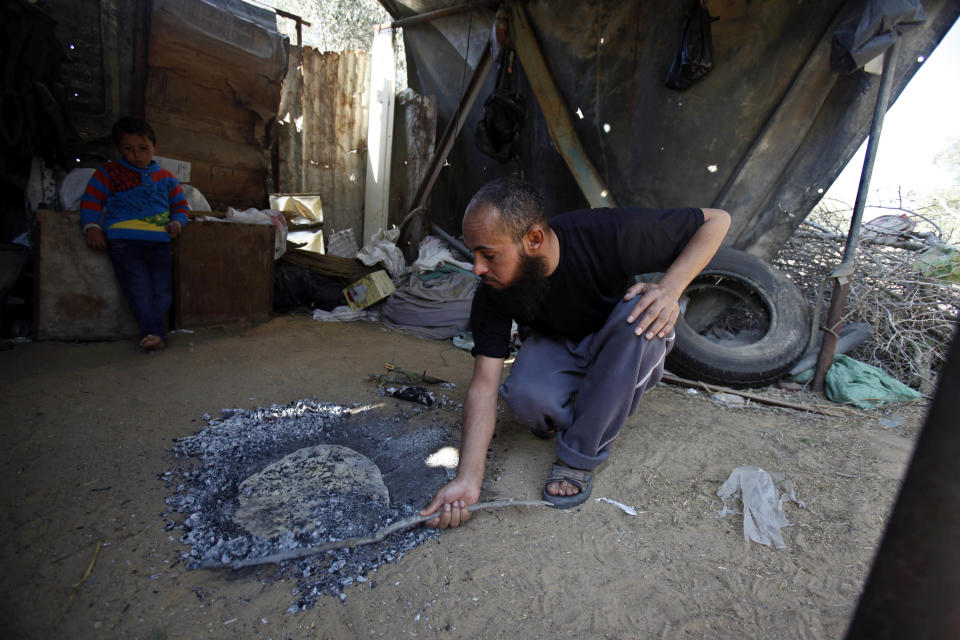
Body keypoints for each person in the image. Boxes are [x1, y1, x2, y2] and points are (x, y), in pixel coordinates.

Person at [420, 177, 730, 527]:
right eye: (473, 253)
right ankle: (592, 403)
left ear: (534, 239)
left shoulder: (608, 232)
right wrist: (467, 479)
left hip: (620, 340)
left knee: (646, 314)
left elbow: (717, 221)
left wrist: (670, 288)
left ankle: (578, 456)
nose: (477, 267)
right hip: (559, 342)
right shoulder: (492, 291)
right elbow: (483, 386)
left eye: (488, 255)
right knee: (526, 399)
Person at [79, 116, 190, 352]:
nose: (137, 155)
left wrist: (178, 224)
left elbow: (181, 208)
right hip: (124, 244)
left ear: (155, 148)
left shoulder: (168, 179)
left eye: (143, 148)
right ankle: (155, 334)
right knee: (138, 289)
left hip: (160, 243)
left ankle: (155, 332)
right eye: (129, 149)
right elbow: (91, 202)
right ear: (119, 149)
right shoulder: (108, 173)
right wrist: (92, 228)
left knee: (163, 291)